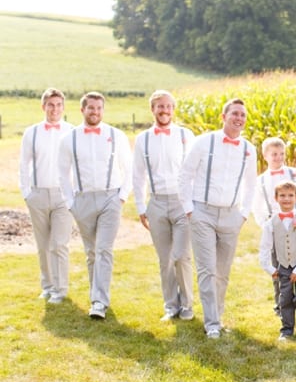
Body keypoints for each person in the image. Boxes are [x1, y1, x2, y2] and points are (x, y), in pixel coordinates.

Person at [179, 97, 257, 339]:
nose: (239, 118)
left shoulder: (248, 149)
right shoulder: (203, 142)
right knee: (207, 270)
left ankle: (218, 317)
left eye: (243, 115)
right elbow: (185, 175)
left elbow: (251, 184)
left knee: (223, 271)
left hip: (231, 215)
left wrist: (243, 214)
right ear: (224, 117)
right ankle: (211, 323)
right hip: (202, 212)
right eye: (234, 113)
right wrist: (190, 210)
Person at [58, 91, 133, 319]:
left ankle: (99, 302)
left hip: (111, 198)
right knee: (91, 253)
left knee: (103, 249)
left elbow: (128, 168)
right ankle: (96, 297)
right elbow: (62, 173)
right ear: (82, 110)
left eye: (99, 108)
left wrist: (121, 197)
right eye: (91, 108)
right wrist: (71, 202)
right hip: (82, 200)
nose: (95, 112)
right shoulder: (69, 138)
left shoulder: (115, 134)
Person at [132, 90, 196, 321]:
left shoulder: (185, 135)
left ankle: (187, 303)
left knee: (181, 256)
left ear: (173, 109)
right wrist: (141, 207)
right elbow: (138, 175)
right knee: (165, 258)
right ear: (152, 109)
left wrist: (193, 202)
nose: (164, 110)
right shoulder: (143, 139)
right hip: (156, 203)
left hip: (182, 203)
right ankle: (171, 305)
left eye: (168, 106)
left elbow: (195, 171)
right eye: (160, 106)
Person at [19, 88, 74, 304]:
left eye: (59, 105)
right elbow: (23, 164)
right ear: (43, 107)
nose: (55, 109)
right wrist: (26, 193)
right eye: (51, 104)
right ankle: (48, 286)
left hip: (63, 197)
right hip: (38, 194)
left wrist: (73, 194)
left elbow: (77, 166)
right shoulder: (31, 132)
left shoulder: (71, 131)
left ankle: (60, 290)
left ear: (63, 107)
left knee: (59, 244)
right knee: (43, 245)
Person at [252, 136, 296, 320]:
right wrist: (265, 224)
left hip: (295, 225)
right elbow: (256, 206)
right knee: (278, 265)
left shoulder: (294, 174)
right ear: (265, 156)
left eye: (281, 154)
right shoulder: (261, 180)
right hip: (275, 226)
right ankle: (281, 305)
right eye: (274, 154)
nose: (278, 158)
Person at [258, 181, 296, 340]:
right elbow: (265, 247)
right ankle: (287, 329)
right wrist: (270, 268)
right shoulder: (271, 223)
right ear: (276, 198)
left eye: (290, 195)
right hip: (283, 267)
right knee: (285, 299)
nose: (286, 199)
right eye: (282, 195)